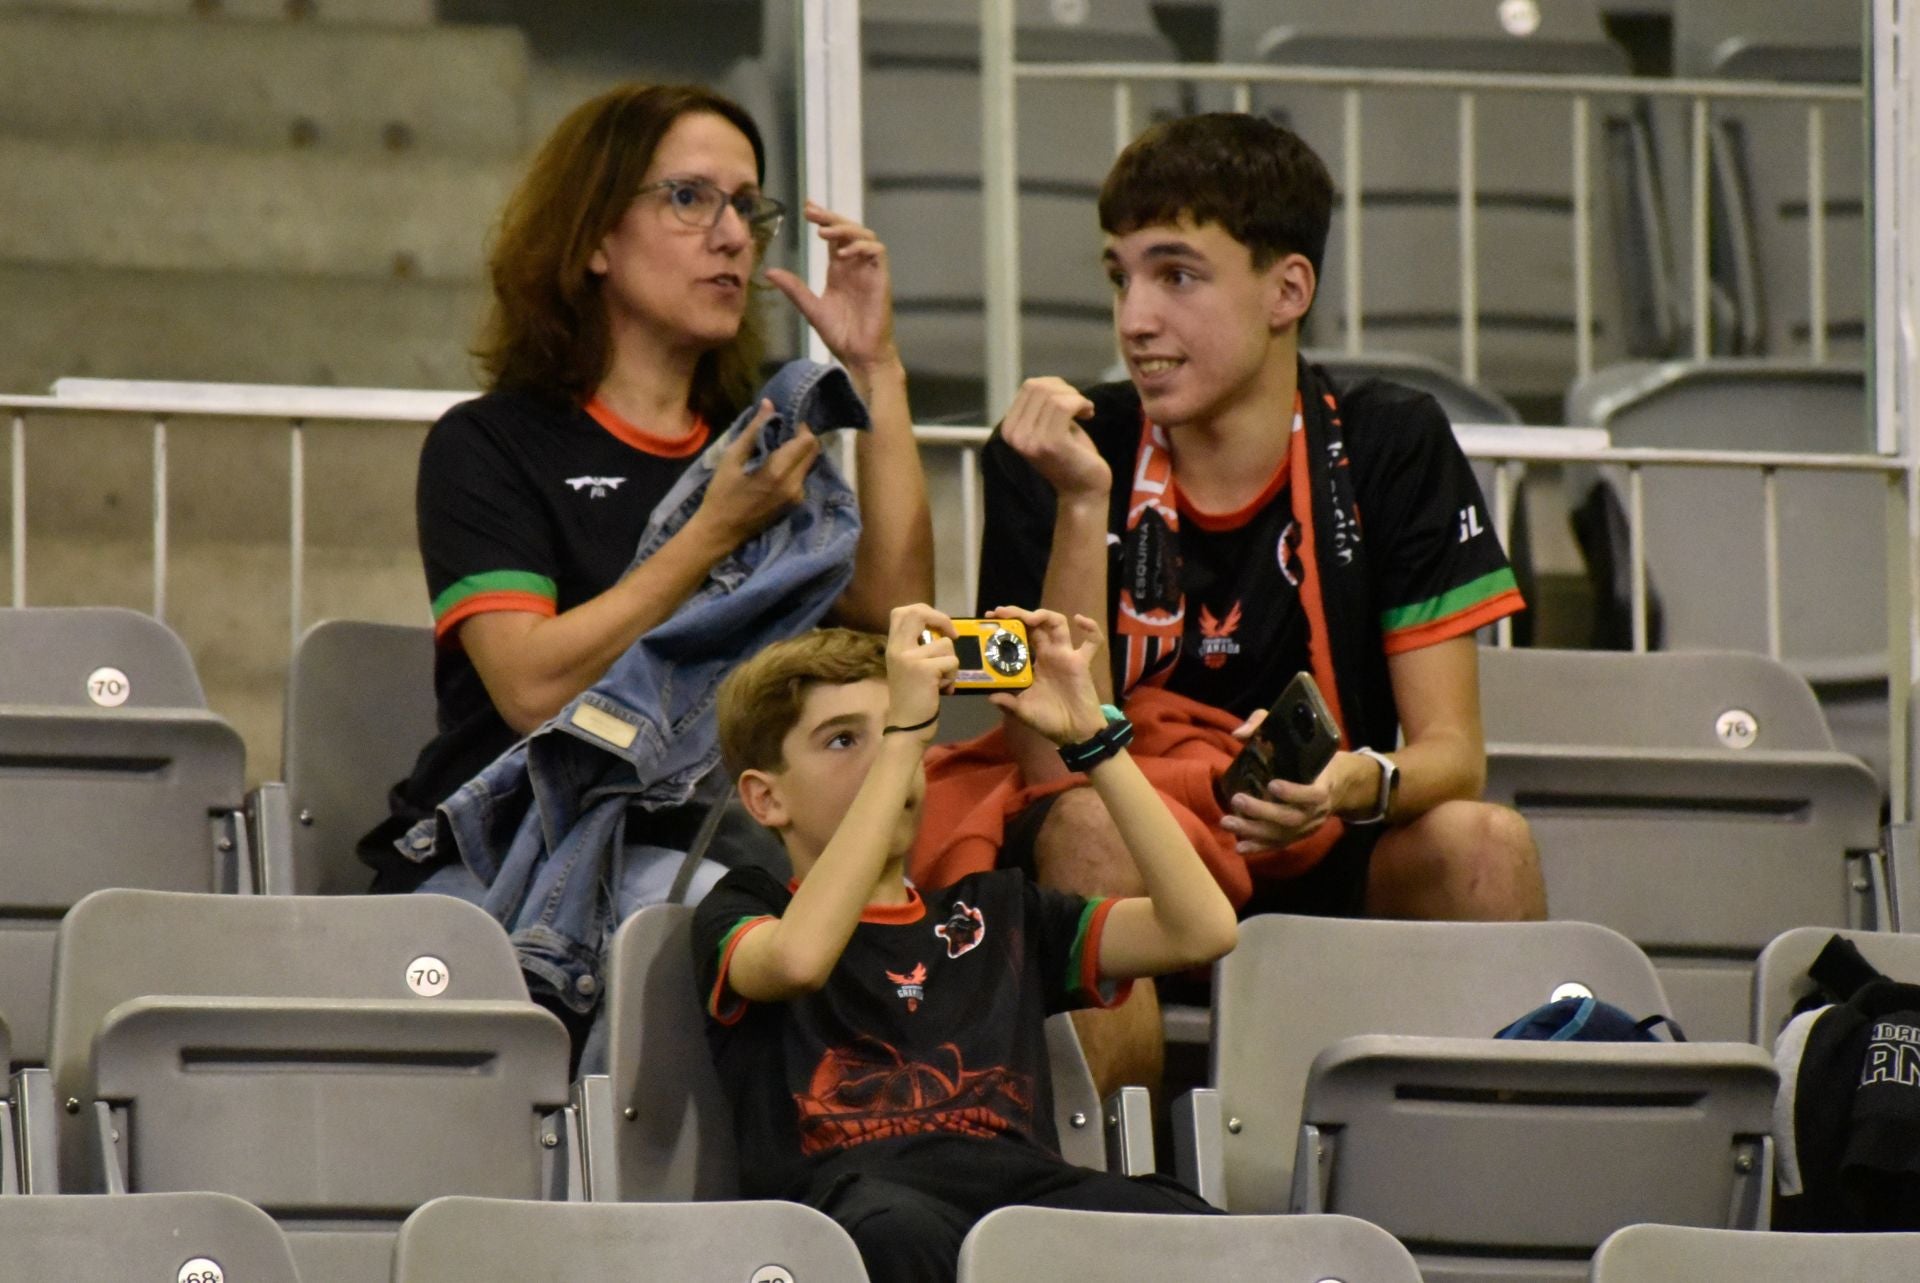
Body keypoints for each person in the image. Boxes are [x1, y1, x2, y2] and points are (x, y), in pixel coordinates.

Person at [942, 112, 1546, 1093]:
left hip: (1323, 839)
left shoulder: (1391, 442)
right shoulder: (1045, 460)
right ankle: (1112, 1214)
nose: (1136, 317)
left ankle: (1490, 1183)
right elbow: (1049, 757)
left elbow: (1452, 753)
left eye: (1176, 275)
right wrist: (1082, 498)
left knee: (1485, 842)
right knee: (1093, 823)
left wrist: (1349, 784)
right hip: (1129, 842)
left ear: (1287, 289)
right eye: (1120, 276)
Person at [359, 83, 931, 896]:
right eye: (691, 199)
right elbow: (531, 690)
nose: (733, 237)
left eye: (745, 207)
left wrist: (878, 367)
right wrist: (711, 535)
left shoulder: (758, 440)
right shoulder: (488, 443)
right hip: (513, 853)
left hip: (712, 843)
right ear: (595, 237)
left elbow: (893, 618)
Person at [694, 604, 1235, 1283]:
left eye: (897, 732)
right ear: (766, 798)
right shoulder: (748, 907)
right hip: (855, 1213)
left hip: (1024, 1194)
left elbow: (1202, 928)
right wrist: (901, 738)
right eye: (842, 740)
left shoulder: (995, 909)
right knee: (896, 1233)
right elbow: (799, 961)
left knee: (1195, 1229)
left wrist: (1094, 740)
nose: (892, 752)